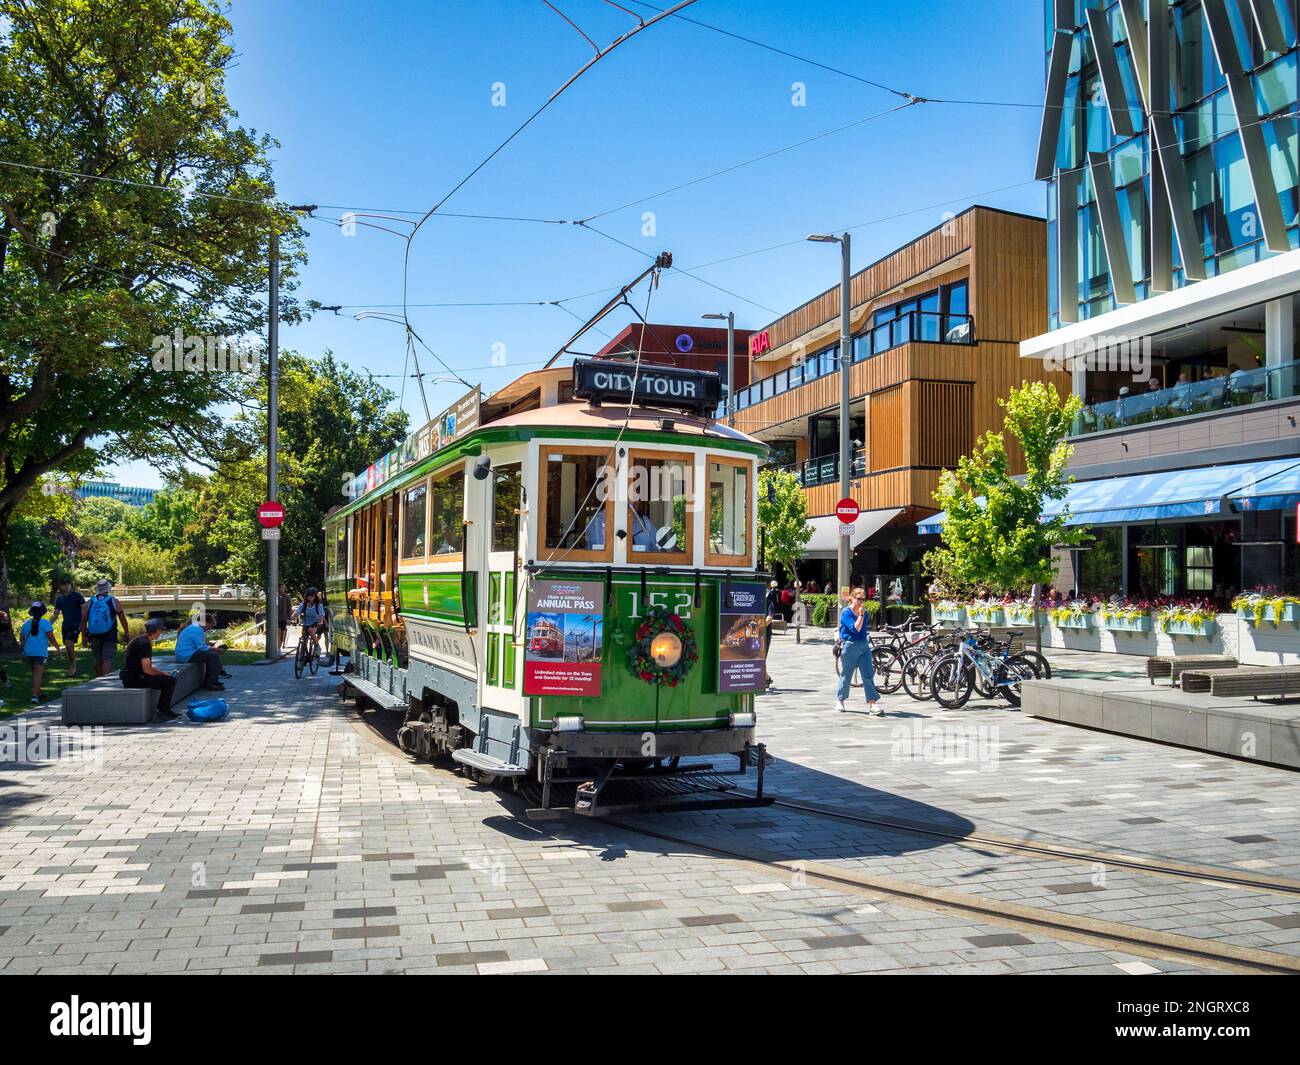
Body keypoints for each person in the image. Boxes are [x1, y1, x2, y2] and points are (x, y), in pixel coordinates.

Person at [121, 618, 179, 721]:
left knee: (166, 679)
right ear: (156, 630)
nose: (161, 633)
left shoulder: (142, 640)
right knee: (170, 681)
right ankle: (162, 711)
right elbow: (147, 669)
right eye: (161, 630)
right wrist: (164, 674)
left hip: (134, 676)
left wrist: (160, 674)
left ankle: (163, 710)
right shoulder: (144, 643)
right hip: (133, 679)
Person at [836, 587, 882, 715]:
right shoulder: (846, 613)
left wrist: (862, 614)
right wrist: (860, 615)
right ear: (852, 598)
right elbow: (855, 629)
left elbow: (862, 630)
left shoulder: (865, 613)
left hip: (863, 645)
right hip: (850, 645)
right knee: (847, 674)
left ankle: (873, 703)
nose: (861, 602)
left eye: (863, 599)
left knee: (868, 674)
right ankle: (840, 699)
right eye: (859, 599)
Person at [81, 578, 128, 677]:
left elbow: (83, 620)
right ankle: (104, 680)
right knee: (107, 659)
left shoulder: (90, 602)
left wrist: (84, 637)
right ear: (108, 589)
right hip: (109, 635)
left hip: (94, 635)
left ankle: (98, 679)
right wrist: (126, 632)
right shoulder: (113, 601)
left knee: (98, 660)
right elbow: (122, 618)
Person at [174, 613, 227, 691]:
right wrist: (217, 649)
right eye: (209, 626)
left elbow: (199, 643)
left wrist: (211, 645)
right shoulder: (197, 629)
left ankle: (213, 681)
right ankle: (211, 683)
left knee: (211, 655)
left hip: (184, 654)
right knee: (213, 656)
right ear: (204, 623)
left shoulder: (194, 627)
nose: (209, 629)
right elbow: (202, 648)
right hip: (186, 655)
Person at [20, 602, 59, 704]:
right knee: (38, 675)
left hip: (28, 653)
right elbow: (51, 638)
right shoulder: (45, 623)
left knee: (35, 674)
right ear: (43, 612)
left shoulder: (25, 624)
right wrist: (58, 649)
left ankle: (40, 693)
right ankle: (34, 696)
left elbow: (21, 639)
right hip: (40, 653)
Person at [51, 577, 86, 677]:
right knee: (68, 646)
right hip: (65, 626)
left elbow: (85, 609)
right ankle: (71, 664)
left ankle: (73, 667)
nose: (67, 586)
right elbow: (55, 614)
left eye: (68, 584)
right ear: (60, 587)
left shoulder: (77, 596)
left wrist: (83, 623)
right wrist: (47, 625)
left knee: (69, 643)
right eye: (64, 584)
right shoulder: (59, 599)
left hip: (75, 625)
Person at [298, 587, 328, 660]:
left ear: (315, 596)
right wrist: (292, 617)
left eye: (312, 596)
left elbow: (321, 614)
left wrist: (321, 621)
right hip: (306, 623)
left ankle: (317, 646)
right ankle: (302, 654)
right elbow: (298, 611)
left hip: (316, 623)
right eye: (308, 596)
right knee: (304, 638)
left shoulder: (318, 605)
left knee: (311, 630)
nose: (310, 598)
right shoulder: (304, 604)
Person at [277, 582, 291, 650]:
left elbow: (289, 608)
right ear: (278, 588)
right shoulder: (275, 597)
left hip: (284, 619)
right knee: (278, 633)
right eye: (281, 588)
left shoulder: (287, 597)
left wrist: (289, 618)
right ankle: (278, 649)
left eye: (283, 588)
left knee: (282, 635)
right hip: (277, 619)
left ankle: (280, 646)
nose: (282, 589)